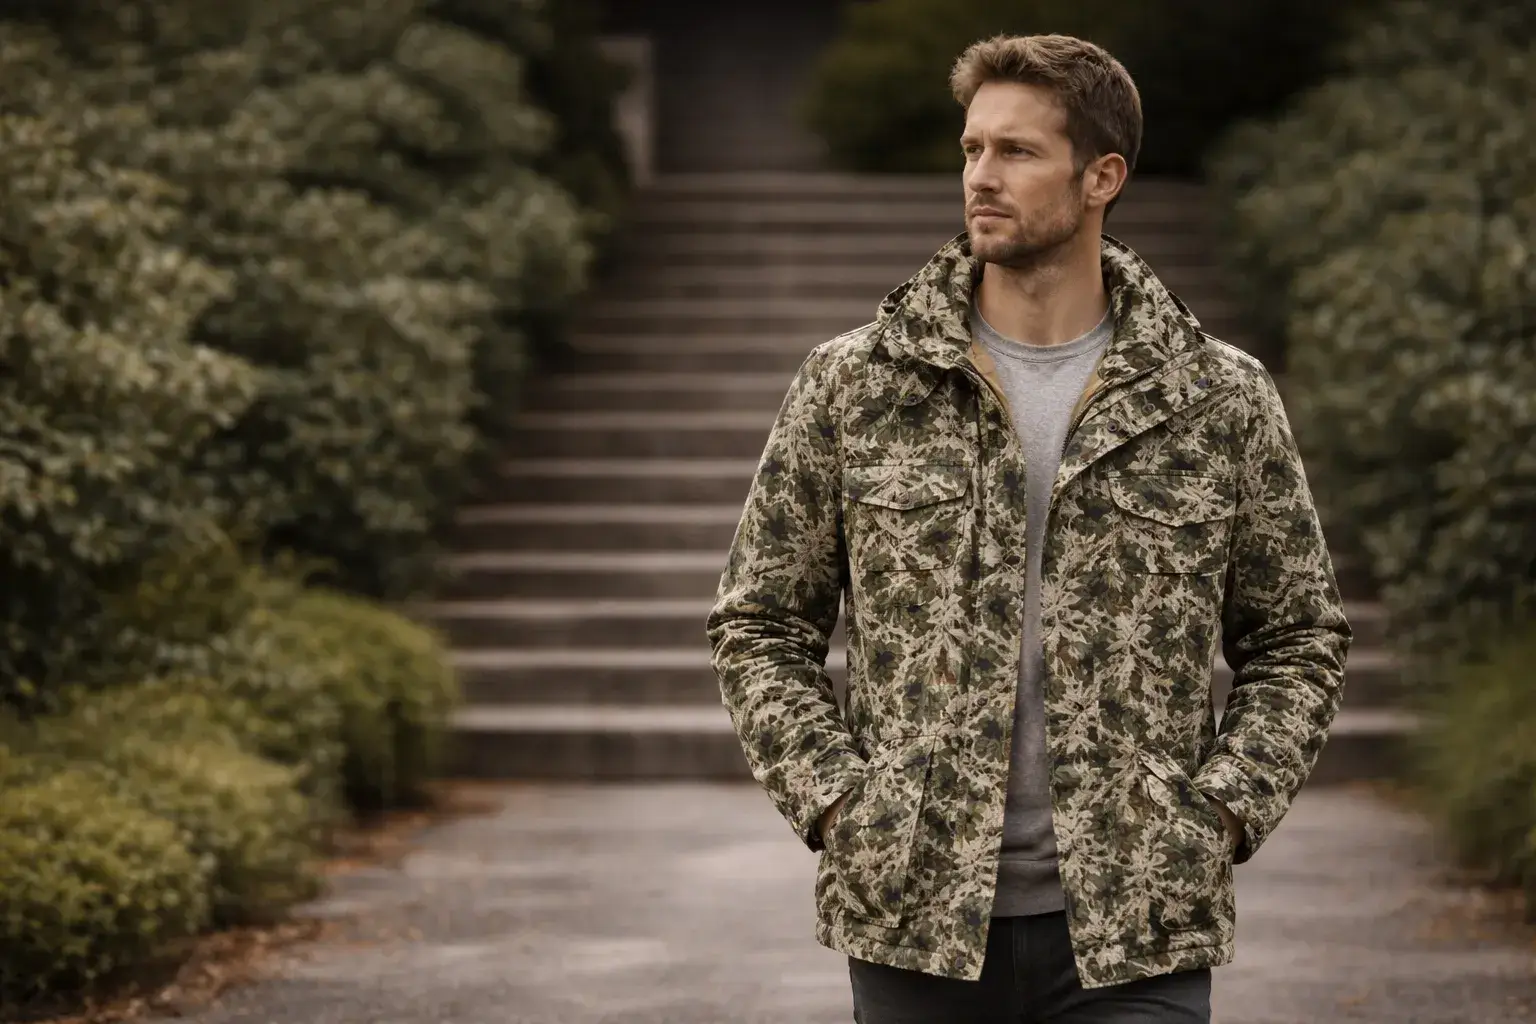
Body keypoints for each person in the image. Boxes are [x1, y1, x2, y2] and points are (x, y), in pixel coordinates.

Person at [707, 32, 1351, 1024]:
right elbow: (760, 624)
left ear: (1102, 177)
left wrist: (1220, 811)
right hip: (916, 920)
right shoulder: (859, 383)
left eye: (1017, 152)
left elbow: (1296, 635)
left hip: (1137, 928)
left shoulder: (1216, 397)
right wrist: (840, 804)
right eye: (972, 149)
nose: (981, 177)